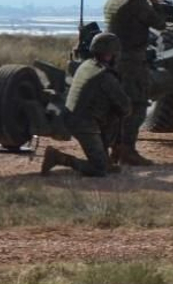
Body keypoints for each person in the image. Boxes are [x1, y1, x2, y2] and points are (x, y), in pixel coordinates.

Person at [102, 0, 168, 165]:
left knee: (116, 106)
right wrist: (154, 2)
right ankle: (127, 150)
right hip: (131, 62)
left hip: (112, 59)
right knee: (137, 106)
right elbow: (161, 23)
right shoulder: (138, 3)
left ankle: (113, 147)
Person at [42, 32, 131, 177]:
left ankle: (104, 158)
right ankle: (58, 158)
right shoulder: (106, 76)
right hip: (83, 124)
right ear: (111, 54)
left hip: (74, 116)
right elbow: (125, 107)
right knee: (99, 169)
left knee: (111, 115)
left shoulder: (87, 65)